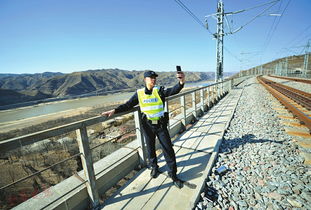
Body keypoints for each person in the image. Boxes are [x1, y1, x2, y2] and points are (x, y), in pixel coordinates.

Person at [101, 70, 185, 189]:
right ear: (145, 80)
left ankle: (173, 175)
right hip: (147, 125)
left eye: (154, 78)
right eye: (151, 78)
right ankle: (154, 168)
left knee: (168, 149)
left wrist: (181, 81)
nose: (153, 80)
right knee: (150, 148)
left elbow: (174, 90)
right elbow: (128, 105)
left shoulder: (159, 91)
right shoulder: (139, 93)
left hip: (161, 125)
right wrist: (114, 111)